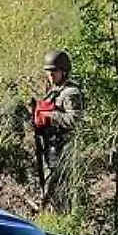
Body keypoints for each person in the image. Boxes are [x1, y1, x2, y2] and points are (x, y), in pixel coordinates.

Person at [33, 50, 86, 209]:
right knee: (49, 189)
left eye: (54, 71)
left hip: (65, 149)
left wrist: (50, 116)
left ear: (63, 71)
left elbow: (75, 120)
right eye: (48, 71)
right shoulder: (53, 92)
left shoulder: (71, 93)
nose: (50, 75)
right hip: (50, 148)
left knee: (61, 190)